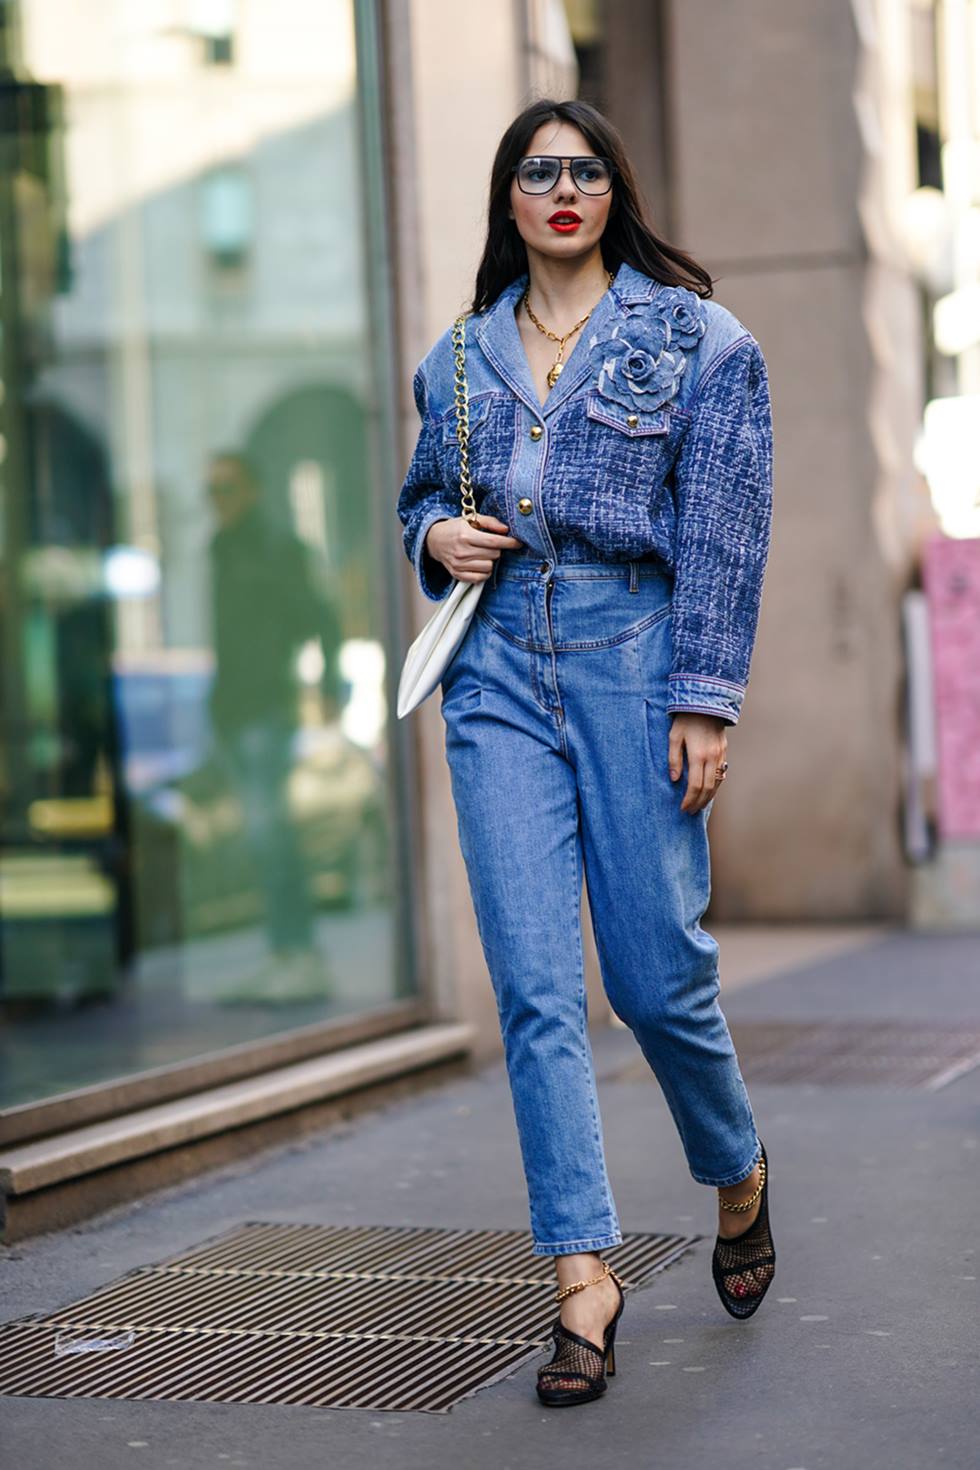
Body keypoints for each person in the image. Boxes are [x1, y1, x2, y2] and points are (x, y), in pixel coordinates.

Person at [396, 99, 776, 1407]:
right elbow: (422, 501)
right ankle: (583, 1275)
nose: (563, 189)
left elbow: (725, 533)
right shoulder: (458, 357)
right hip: (497, 676)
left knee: (657, 977)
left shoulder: (700, 344)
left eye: (587, 169)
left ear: (616, 191)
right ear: (509, 198)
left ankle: (736, 1168)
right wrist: (437, 540)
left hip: (635, 669)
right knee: (539, 990)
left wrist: (704, 698)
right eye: (539, 172)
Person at [206, 450, 341, 1004]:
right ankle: (283, 953)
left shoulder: (277, 551)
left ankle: (298, 954)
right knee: (261, 841)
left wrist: (330, 689)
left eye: (226, 489)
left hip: (265, 711)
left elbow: (322, 621)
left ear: (253, 491)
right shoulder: (219, 550)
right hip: (233, 711)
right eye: (210, 493)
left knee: (272, 837)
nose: (217, 502)